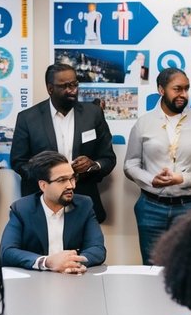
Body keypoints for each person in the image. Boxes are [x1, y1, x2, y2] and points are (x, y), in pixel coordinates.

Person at [123, 69, 191, 264]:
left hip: (188, 208)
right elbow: (130, 164)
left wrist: (182, 178)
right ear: (161, 90)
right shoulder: (144, 123)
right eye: (177, 89)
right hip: (150, 207)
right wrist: (151, 179)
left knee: (186, 269)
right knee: (151, 268)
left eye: (186, 89)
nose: (183, 94)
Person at [10, 63, 116, 223]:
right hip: (42, 205)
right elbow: (18, 162)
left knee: (86, 249)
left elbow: (108, 158)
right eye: (65, 86)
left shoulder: (93, 114)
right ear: (50, 88)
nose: (72, 90)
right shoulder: (27, 118)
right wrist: (50, 177)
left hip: (83, 204)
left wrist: (93, 165)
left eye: (74, 84)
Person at [0, 150, 106, 272]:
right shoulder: (22, 209)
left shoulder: (84, 205)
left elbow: (97, 249)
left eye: (72, 178)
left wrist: (72, 263)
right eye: (62, 180)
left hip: (73, 279)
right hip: (35, 281)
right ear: (43, 185)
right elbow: (7, 251)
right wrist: (47, 262)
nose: (71, 186)